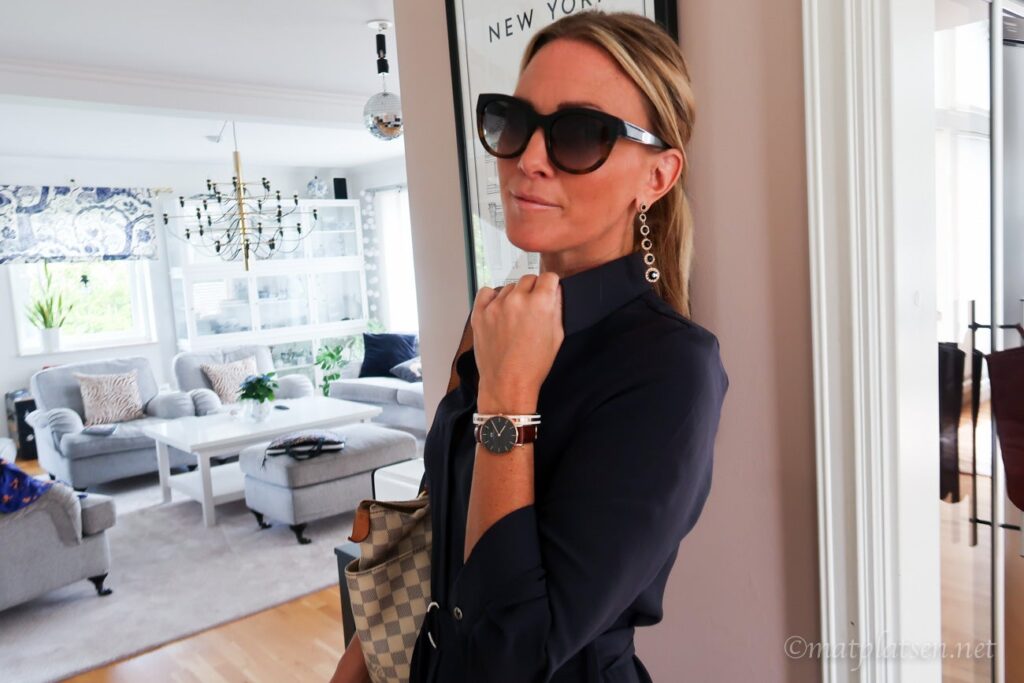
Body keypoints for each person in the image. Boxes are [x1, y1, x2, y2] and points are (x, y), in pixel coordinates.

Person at [331, 9, 728, 683]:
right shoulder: (491, 320)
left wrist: (509, 399)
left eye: (581, 133)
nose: (528, 160)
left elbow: (510, 658)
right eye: (514, 123)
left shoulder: (669, 367)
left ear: (657, 177)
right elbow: (429, 540)